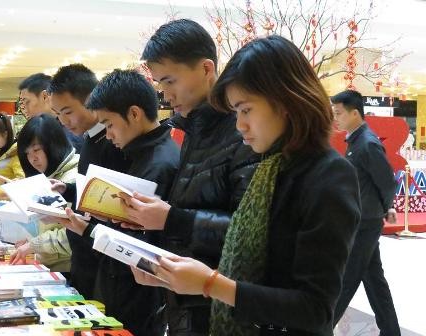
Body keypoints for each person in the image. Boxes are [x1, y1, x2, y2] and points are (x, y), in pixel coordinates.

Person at [130, 35, 361, 336]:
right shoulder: (270, 168)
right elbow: (248, 264)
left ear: (286, 100)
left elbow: (315, 309)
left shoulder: (328, 175)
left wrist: (211, 284)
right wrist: (172, 277)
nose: (240, 125)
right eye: (236, 112)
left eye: (246, 109)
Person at [117, 19, 259, 335]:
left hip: (224, 311)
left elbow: (252, 233)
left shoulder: (244, 134)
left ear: (207, 69)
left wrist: (170, 218)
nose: (165, 95)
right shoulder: (194, 129)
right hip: (187, 304)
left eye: (170, 81)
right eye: (160, 85)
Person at [59, 69, 180, 336]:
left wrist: (85, 229)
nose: (108, 135)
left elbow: (139, 244)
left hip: (136, 295)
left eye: (109, 124)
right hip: (124, 287)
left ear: (134, 114)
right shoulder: (145, 154)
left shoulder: (158, 164)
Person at [47, 63, 127, 299]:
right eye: (58, 114)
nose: (63, 121)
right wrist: (68, 190)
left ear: (90, 99)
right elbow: (93, 190)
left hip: (105, 260)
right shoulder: (90, 139)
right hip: (84, 252)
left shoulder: (114, 142)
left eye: (68, 111)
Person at [331, 90, 401, 335]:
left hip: (365, 222)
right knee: (374, 279)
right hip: (361, 218)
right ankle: (391, 330)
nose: (335, 119)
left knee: (348, 277)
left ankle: (320, 327)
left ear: (354, 113)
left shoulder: (367, 144)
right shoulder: (355, 141)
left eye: (338, 113)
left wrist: (387, 207)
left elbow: (387, 181)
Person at [9, 114, 79, 273]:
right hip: (51, 268)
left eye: (36, 150)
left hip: (68, 271)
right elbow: (53, 226)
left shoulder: (71, 179)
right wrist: (31, 242)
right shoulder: (51, 176)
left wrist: (34, 245)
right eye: (27, 153)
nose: (32, 159)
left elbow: (73, 236)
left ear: (53, 144)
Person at [18, 73, 83, 153]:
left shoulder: (69, 133)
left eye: (27, 102)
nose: (25, 109)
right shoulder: (45, 130)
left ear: (44, 96)